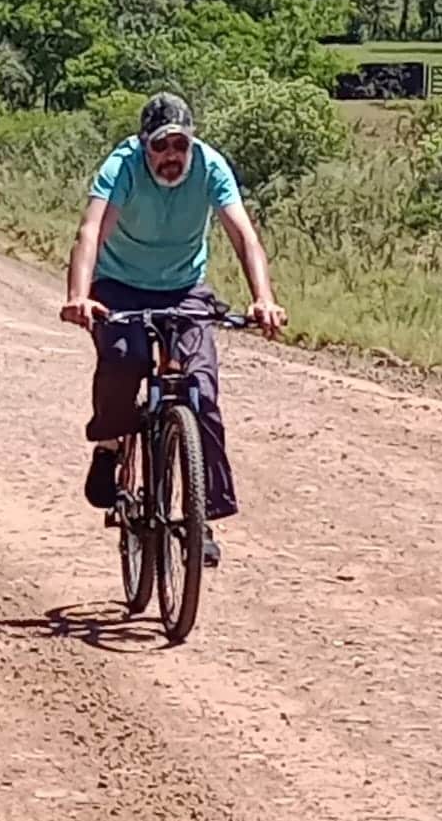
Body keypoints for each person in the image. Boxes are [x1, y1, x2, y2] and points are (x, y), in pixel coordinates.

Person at [59, 91, 287, 569]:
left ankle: (198, 517)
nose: (171, 157)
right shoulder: (121, 166)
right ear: (145, 146)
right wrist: (80, 295)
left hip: (183, 289)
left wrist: (263, 298)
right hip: (119, 284)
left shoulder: (210, 166)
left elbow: (244, 235)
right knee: (123, 359)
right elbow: (90, 231)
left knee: (199, 392)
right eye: (161, 147)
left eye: (180, 145)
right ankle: (109, 445)